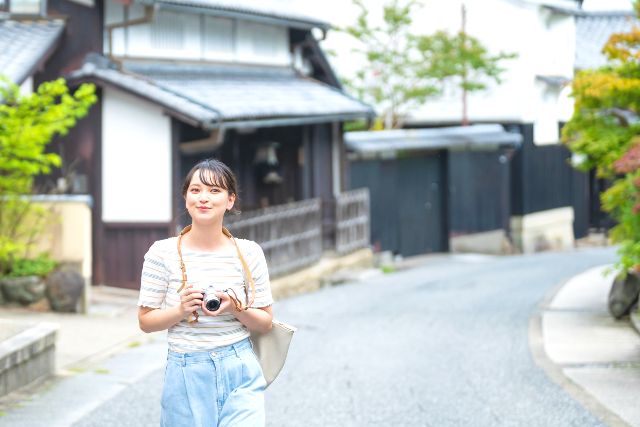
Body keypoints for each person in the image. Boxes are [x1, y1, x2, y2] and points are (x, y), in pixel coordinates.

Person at [137, 158, 273, 427]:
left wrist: (236, 308)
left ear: (230, 200)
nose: (204, 198)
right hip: (186, 370)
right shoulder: (161, 253)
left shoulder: (249, 252)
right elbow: (145, 321)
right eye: (196, 190)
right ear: (186, 198)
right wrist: (180, 310)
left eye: (214, 191)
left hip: (239, 366)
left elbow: (266, 322)